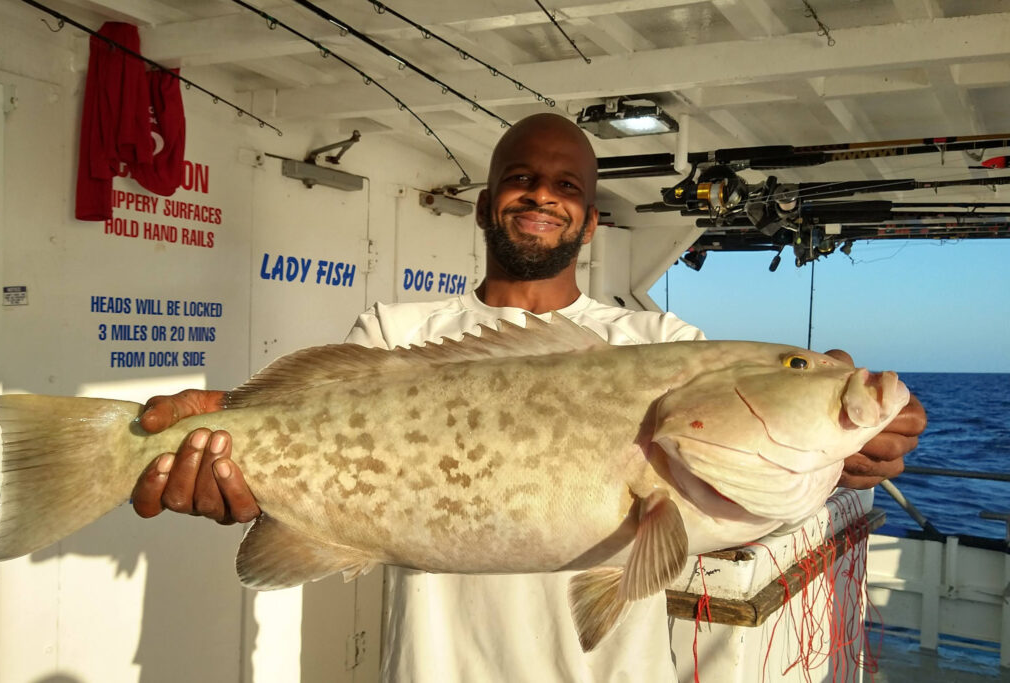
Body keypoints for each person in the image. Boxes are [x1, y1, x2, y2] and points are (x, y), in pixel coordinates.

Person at [131, 113, 927, 680]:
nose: (542, 195)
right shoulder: (395, 330)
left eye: (566, 186)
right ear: (484, 205)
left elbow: (757, 478)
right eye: (520, 179)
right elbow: (311, 436)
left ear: (589, 223)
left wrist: (849, 444)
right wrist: (228, 462)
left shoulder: (660, 344)